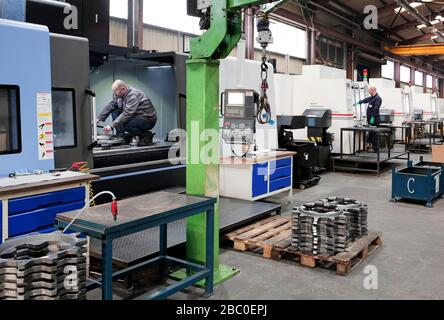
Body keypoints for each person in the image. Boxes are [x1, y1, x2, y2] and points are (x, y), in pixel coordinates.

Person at [354, 86, 382, 152]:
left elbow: (376, 108)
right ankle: (374, 148)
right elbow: (366, 100)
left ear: (373, 90)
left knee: (374, 134)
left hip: (374, 120)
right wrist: (359, 102)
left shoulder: (378, 98)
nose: (369, 92)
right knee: (371, 134)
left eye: (369, 91)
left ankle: (376, 149)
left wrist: (372, 117)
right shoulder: (373, 97)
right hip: (371, 120)